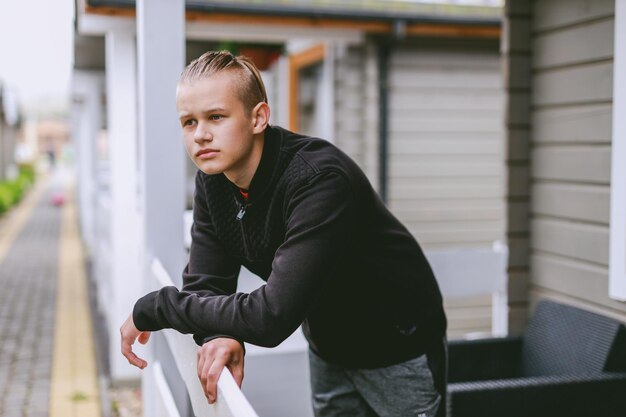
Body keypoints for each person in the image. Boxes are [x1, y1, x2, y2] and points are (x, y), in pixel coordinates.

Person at [120, 50, 447, 417]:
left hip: (397, 346)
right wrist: (220, 334)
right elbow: (207, 283)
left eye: (215, 117)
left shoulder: (318, 180)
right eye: (188, 122)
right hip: (328, 344)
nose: (201, 135)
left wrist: (157, 307)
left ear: (258, 117)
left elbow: (271, 316)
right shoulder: (212, 181)